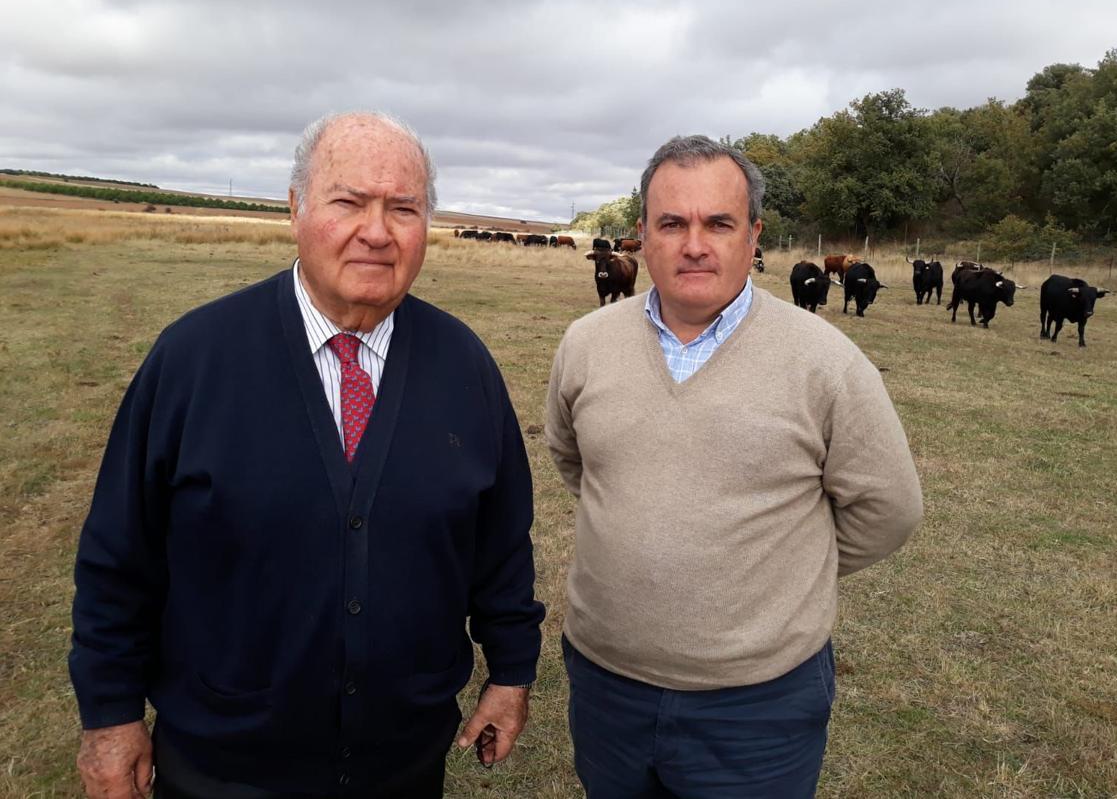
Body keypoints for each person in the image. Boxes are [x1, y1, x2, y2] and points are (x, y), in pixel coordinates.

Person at [69, 111, 544, 799]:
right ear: (295, 208)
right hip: (221, 765)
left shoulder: (462, 364)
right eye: (348, 201)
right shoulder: (194, 359)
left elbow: (500, 544)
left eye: (403, 208)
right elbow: (119, 554)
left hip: (402, 765)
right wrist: (110, 717)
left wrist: (510, 670)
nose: (376, 232)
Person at [545, 135, 922, 798]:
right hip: (607, 686)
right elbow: (574, 460)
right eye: (672, 223)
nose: (694, 244)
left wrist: (775, 573)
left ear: (753, 236)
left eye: (718, 223)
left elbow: (888, 508)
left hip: (755, 704)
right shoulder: (585, 343)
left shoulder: (824, 361)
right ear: (642, 235)